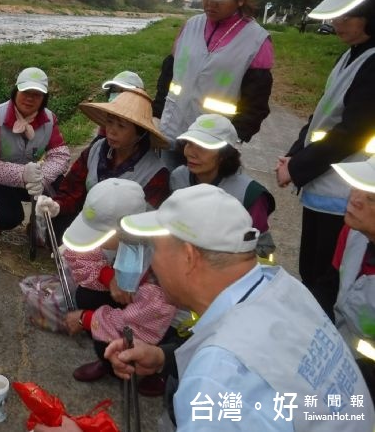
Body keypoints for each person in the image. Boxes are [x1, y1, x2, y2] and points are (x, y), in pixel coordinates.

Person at [106, 184, 373, 431]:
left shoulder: (216, 379)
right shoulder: (284, 287)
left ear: (188, 257)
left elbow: (231, 370)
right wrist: (163, 358)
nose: (152, 263)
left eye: (155, 249)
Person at [276, 0, 375, 319]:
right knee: (312, 273)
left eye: (348, 15)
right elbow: (323, 114)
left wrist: (298, 167)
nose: (338, 22)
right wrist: (292, 156)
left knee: (328, 285)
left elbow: (351, 133)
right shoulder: (352, 55)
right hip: (325, 190)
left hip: (348, 197)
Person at [152, 0, 274, 168]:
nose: (210, 3)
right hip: (171, 133)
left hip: (212, 145)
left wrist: (234, 140)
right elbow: (169, 74)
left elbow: (256, 103)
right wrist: (156, 115)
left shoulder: (257, 41)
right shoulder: (190, 26)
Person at [58, 178, 176, 394]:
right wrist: (108, 276)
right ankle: (108, 362)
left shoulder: (163, 264)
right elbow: (79, 254)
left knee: (128, 337)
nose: (96, 241)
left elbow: (142, 319)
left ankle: (159, 369)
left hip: (166, 320)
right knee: (87, 295)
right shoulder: (131, 231)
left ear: (122, 230)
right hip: (139, 299)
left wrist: (87, 318)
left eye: (100, 235)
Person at [35, 88, 170, 243]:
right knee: (52, 223)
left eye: (121, 126)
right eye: (110, 122)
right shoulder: (96, 150)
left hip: (122, 238)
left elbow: (146, 222)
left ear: (140, 133)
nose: (111, 131)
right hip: (87, 222)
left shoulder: (155, 172)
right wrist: (56, 206)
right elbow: (73, 190)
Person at [0, 67, 70, 235]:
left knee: (62, 192)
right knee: (9, 217)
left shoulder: (50, 119)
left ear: (44, 98)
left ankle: (39, 224)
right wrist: (22, 175)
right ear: (16, 90)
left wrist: (42, 177)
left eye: (37, 94)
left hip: (35, 177)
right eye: (25, 91)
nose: (30, 98)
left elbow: (60, 155)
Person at [171, 113, 276, 257]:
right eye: (189, 144)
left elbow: (262, 248)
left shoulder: (249, 194)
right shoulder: (178, 177)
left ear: (224, 154)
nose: (191, 153)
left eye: (203, 147)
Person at [331, 154, 375, 398]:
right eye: (358, 185)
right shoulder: (354, 232)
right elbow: (329, 284)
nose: (355, 199)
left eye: (372, 198)